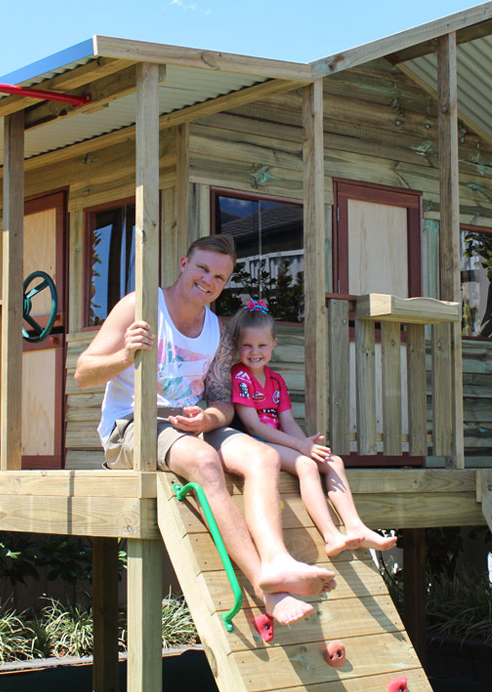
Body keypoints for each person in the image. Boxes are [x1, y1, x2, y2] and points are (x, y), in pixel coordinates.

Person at [74, 234, 335, 626]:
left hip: (190, 424)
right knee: (205, 460)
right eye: (202, 269)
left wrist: (207, 420)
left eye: (219, 275)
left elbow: (223, 404)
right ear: (183, 263)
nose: (209, 280)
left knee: (263, 456)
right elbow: (82, 373)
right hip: (132, 423)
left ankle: (277, 560)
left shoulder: (218, 330)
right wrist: (126, 354)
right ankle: (266, 587)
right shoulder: (140, 306)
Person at [230, 300, 397, 555]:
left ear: (273, 345)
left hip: (280, 441)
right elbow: (254, 427)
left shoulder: (276, 380)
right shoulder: (240, 377)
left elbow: (287, 421)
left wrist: (308, 446)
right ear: (237, 347)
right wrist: (300, 447)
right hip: (256, 445)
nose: (255, 352)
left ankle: (356, 527)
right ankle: (331, 535)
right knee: (306, 465)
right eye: (247, 346)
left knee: (333, 461)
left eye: (262, 345)